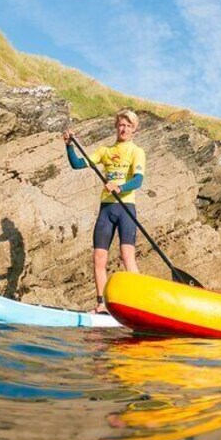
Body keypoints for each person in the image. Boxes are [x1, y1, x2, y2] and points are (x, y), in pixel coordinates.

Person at [62, 109, 146, 314]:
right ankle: (101, 304)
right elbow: (77, 164)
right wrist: (69, 146)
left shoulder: (137, 151)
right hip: (106, 209)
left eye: (128, 126)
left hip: (126, 208)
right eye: (121, 125)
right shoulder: (105, 151)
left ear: (134, 129)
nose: (124, 129)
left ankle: (139, 304)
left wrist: (119, 187)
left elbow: (138, 180)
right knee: (99, 258)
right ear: (117, 127)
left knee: (127, 256)